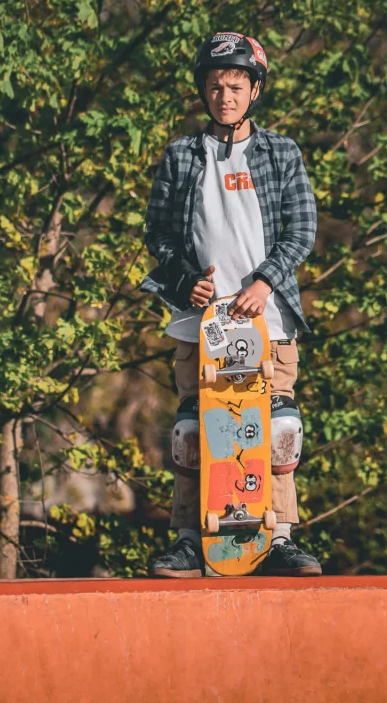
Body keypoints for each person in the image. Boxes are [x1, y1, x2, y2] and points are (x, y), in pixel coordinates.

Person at [139, 31, 321, 577]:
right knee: (196, 430)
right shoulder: (181, 155)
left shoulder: (281, 152)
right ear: (204, 91)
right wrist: (184, 277)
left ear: (255, 89)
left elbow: (302, 229)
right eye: (215, 86)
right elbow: (159, 233)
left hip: (268, 317)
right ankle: (194, 540)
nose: (225, 96)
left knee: (278, 429)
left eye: (236, 86)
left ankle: (280, 537)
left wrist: (265, 280)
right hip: (201, 322)